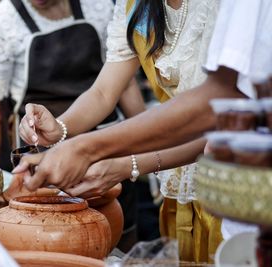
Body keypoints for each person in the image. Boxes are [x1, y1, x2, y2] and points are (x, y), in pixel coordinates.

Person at [17, 0, 221, 262]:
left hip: (235, 184)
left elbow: (219, 118)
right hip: (182, 185)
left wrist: (126, 164)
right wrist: (60, 127)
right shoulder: (134, 6)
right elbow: (103, 92)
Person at [0, 0, 143, 170]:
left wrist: (149, 143)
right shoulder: (5, 19)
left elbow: (123, 85)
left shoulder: (98, 6)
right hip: (39, 154)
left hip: (104, 150)